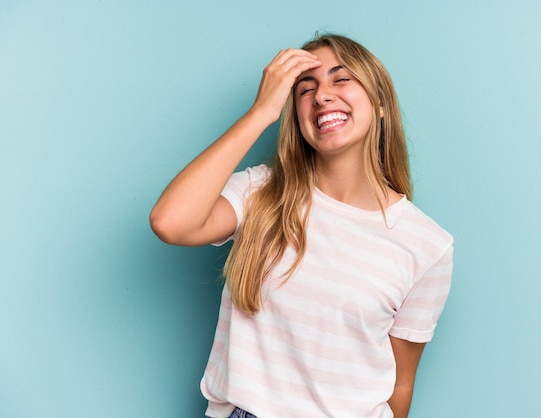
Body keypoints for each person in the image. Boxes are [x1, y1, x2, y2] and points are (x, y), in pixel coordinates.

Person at [150, 33, 454, 418]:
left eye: (341, 79)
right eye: (304, 89)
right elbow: (170, 223)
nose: (322, 96)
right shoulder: (259, 191)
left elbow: (401, 382)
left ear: (380, 103)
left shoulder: (428, 246)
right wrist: (261, 112)